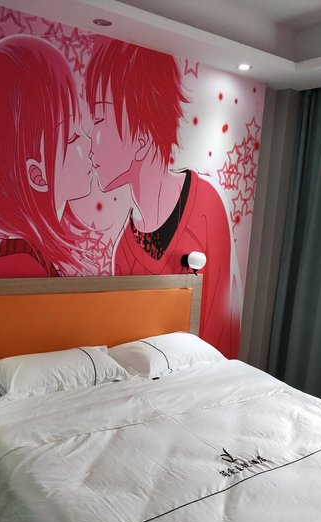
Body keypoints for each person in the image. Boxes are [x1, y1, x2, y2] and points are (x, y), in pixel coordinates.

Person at [84, 38, 242, 357]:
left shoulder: (206, 206)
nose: (90, 136)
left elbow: (218, 335)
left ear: (142, 137)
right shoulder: (124, 251)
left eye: (99, 118)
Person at [0, 35, 94, 277]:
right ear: (37, 175)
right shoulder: (20, 265)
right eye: (73, 137)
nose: (89, 142)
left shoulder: (32, 256)